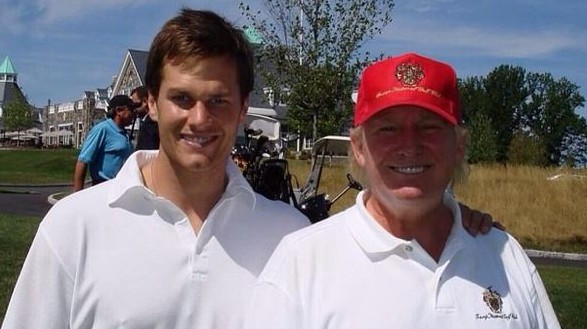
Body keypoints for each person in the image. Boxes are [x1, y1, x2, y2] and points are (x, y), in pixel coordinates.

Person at [1, 11, 494, 328]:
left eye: (219, 100)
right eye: (181, 98)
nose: (200, 118)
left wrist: (451, 217)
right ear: (150, 103)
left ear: (243, 110)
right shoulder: (74, 228)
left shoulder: (289, 236)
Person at [243, 53, 560, 329]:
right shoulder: (301, 262)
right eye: (388, 129)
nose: (410, 145)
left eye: (429, 127)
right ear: (359, 149)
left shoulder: (505, 256)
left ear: (459, 147)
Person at [72, 94, 137, 191]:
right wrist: (76, 196)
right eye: (131, 109)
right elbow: (82, 162)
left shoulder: (124, 134)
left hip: (120, 187)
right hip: (103, 187)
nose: (134, 113)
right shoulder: (102, 129)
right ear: (119, 111)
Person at [131, 85, 160, 150]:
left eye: (135, 105)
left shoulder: (151, 123)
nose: (133, 108)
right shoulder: (146, 121)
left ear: (145, 101)